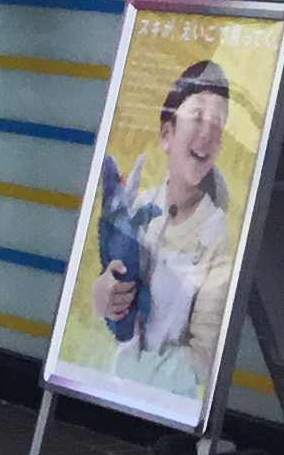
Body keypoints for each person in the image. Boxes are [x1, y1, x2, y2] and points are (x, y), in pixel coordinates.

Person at [89, 59, 238, 397]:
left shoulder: (215, 230)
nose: (208, 132)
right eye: (198, 116)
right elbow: (106, 300)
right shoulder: (137, 205)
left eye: (218, 122)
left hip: (165, 404)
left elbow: (204, 356)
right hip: (108, 399)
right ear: (166, 134)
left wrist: (138, 375)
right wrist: (103, 296)